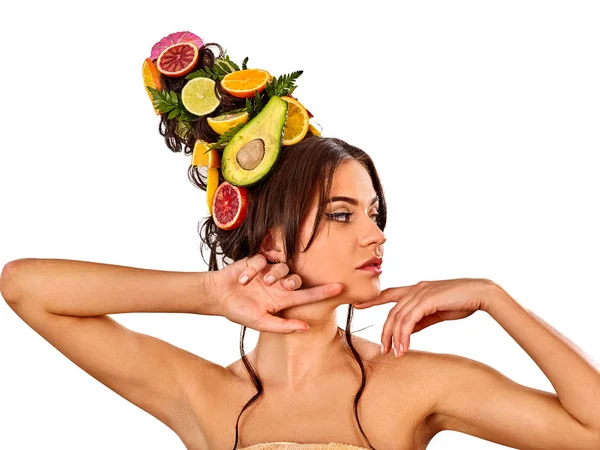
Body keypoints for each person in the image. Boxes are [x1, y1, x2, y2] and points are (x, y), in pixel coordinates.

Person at [2, 31, 600, 450]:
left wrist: (495, 299)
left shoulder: (416, 384)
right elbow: (25, 286)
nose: (375, 233)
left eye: (375, 212)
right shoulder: (204, 394)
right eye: (343, 215)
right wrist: (211, 294)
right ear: (270, 237)